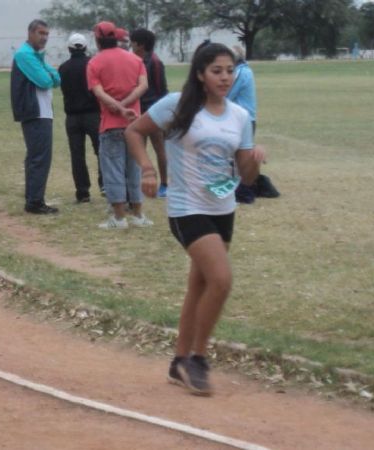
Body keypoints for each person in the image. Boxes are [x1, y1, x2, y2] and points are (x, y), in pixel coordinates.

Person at [125, 43, 265, 395]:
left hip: (223, 209)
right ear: (201, 73)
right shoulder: (176, 104)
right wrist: (146, 169)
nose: (225, 77)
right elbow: (134, 131)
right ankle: (197, 360)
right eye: (216, 70)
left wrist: (255, 160)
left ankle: (178, 362)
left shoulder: (239, 116)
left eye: (230, 70)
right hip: (186, 208)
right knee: (221, 280)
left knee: (199, 287)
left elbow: (246, 178)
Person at [86, 21, 149, 229]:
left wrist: (117, 107)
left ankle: (119, 218)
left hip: (110, 125)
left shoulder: (94, 63)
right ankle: (138, 216)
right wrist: (126, 106)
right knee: (135, 169)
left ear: (97, 39)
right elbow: (143, 86)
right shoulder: (134, 59)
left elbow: (98, 92)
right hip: (135, 125)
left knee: (113, 170)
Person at [11, 19, 62, 215]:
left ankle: (33, 198)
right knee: (40, 157)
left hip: (41, 112)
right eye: (41, 33)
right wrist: (49, 75)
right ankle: (34, 202)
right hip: (35, 112)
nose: (44, 37)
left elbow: (56, 79)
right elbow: (44, 80)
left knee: (35, 156)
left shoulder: (35, 56)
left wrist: (49, 75)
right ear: (30, 33)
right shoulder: (25, 55)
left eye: (46, 34)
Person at [228, 44, 280, 201]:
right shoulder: (245, 71)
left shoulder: (241, 73)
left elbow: (227, 95)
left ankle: (249, 190)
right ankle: (253, 187)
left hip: (243, 120)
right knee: (240, 157)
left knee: (242, 158)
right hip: (245, 119)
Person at [58, 33, 103, 202]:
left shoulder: (63, 68)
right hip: (93, 114)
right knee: (101, 151)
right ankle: (104, 184)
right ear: (85, 48)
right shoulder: (93, 64)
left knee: (77, 155)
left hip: (72, 117)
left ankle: (82, 192)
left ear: (69, 48)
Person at [130, 28, 169, 197]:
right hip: (138, 111)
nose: (130, 45)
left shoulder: (155, 62)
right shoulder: (134, 60)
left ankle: (165, 184)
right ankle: (141, 184)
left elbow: (162, 89)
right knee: (139, 148)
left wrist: (162, 113)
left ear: (141, 45)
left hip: (154, 111)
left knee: (159, 147)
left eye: (133, 42)